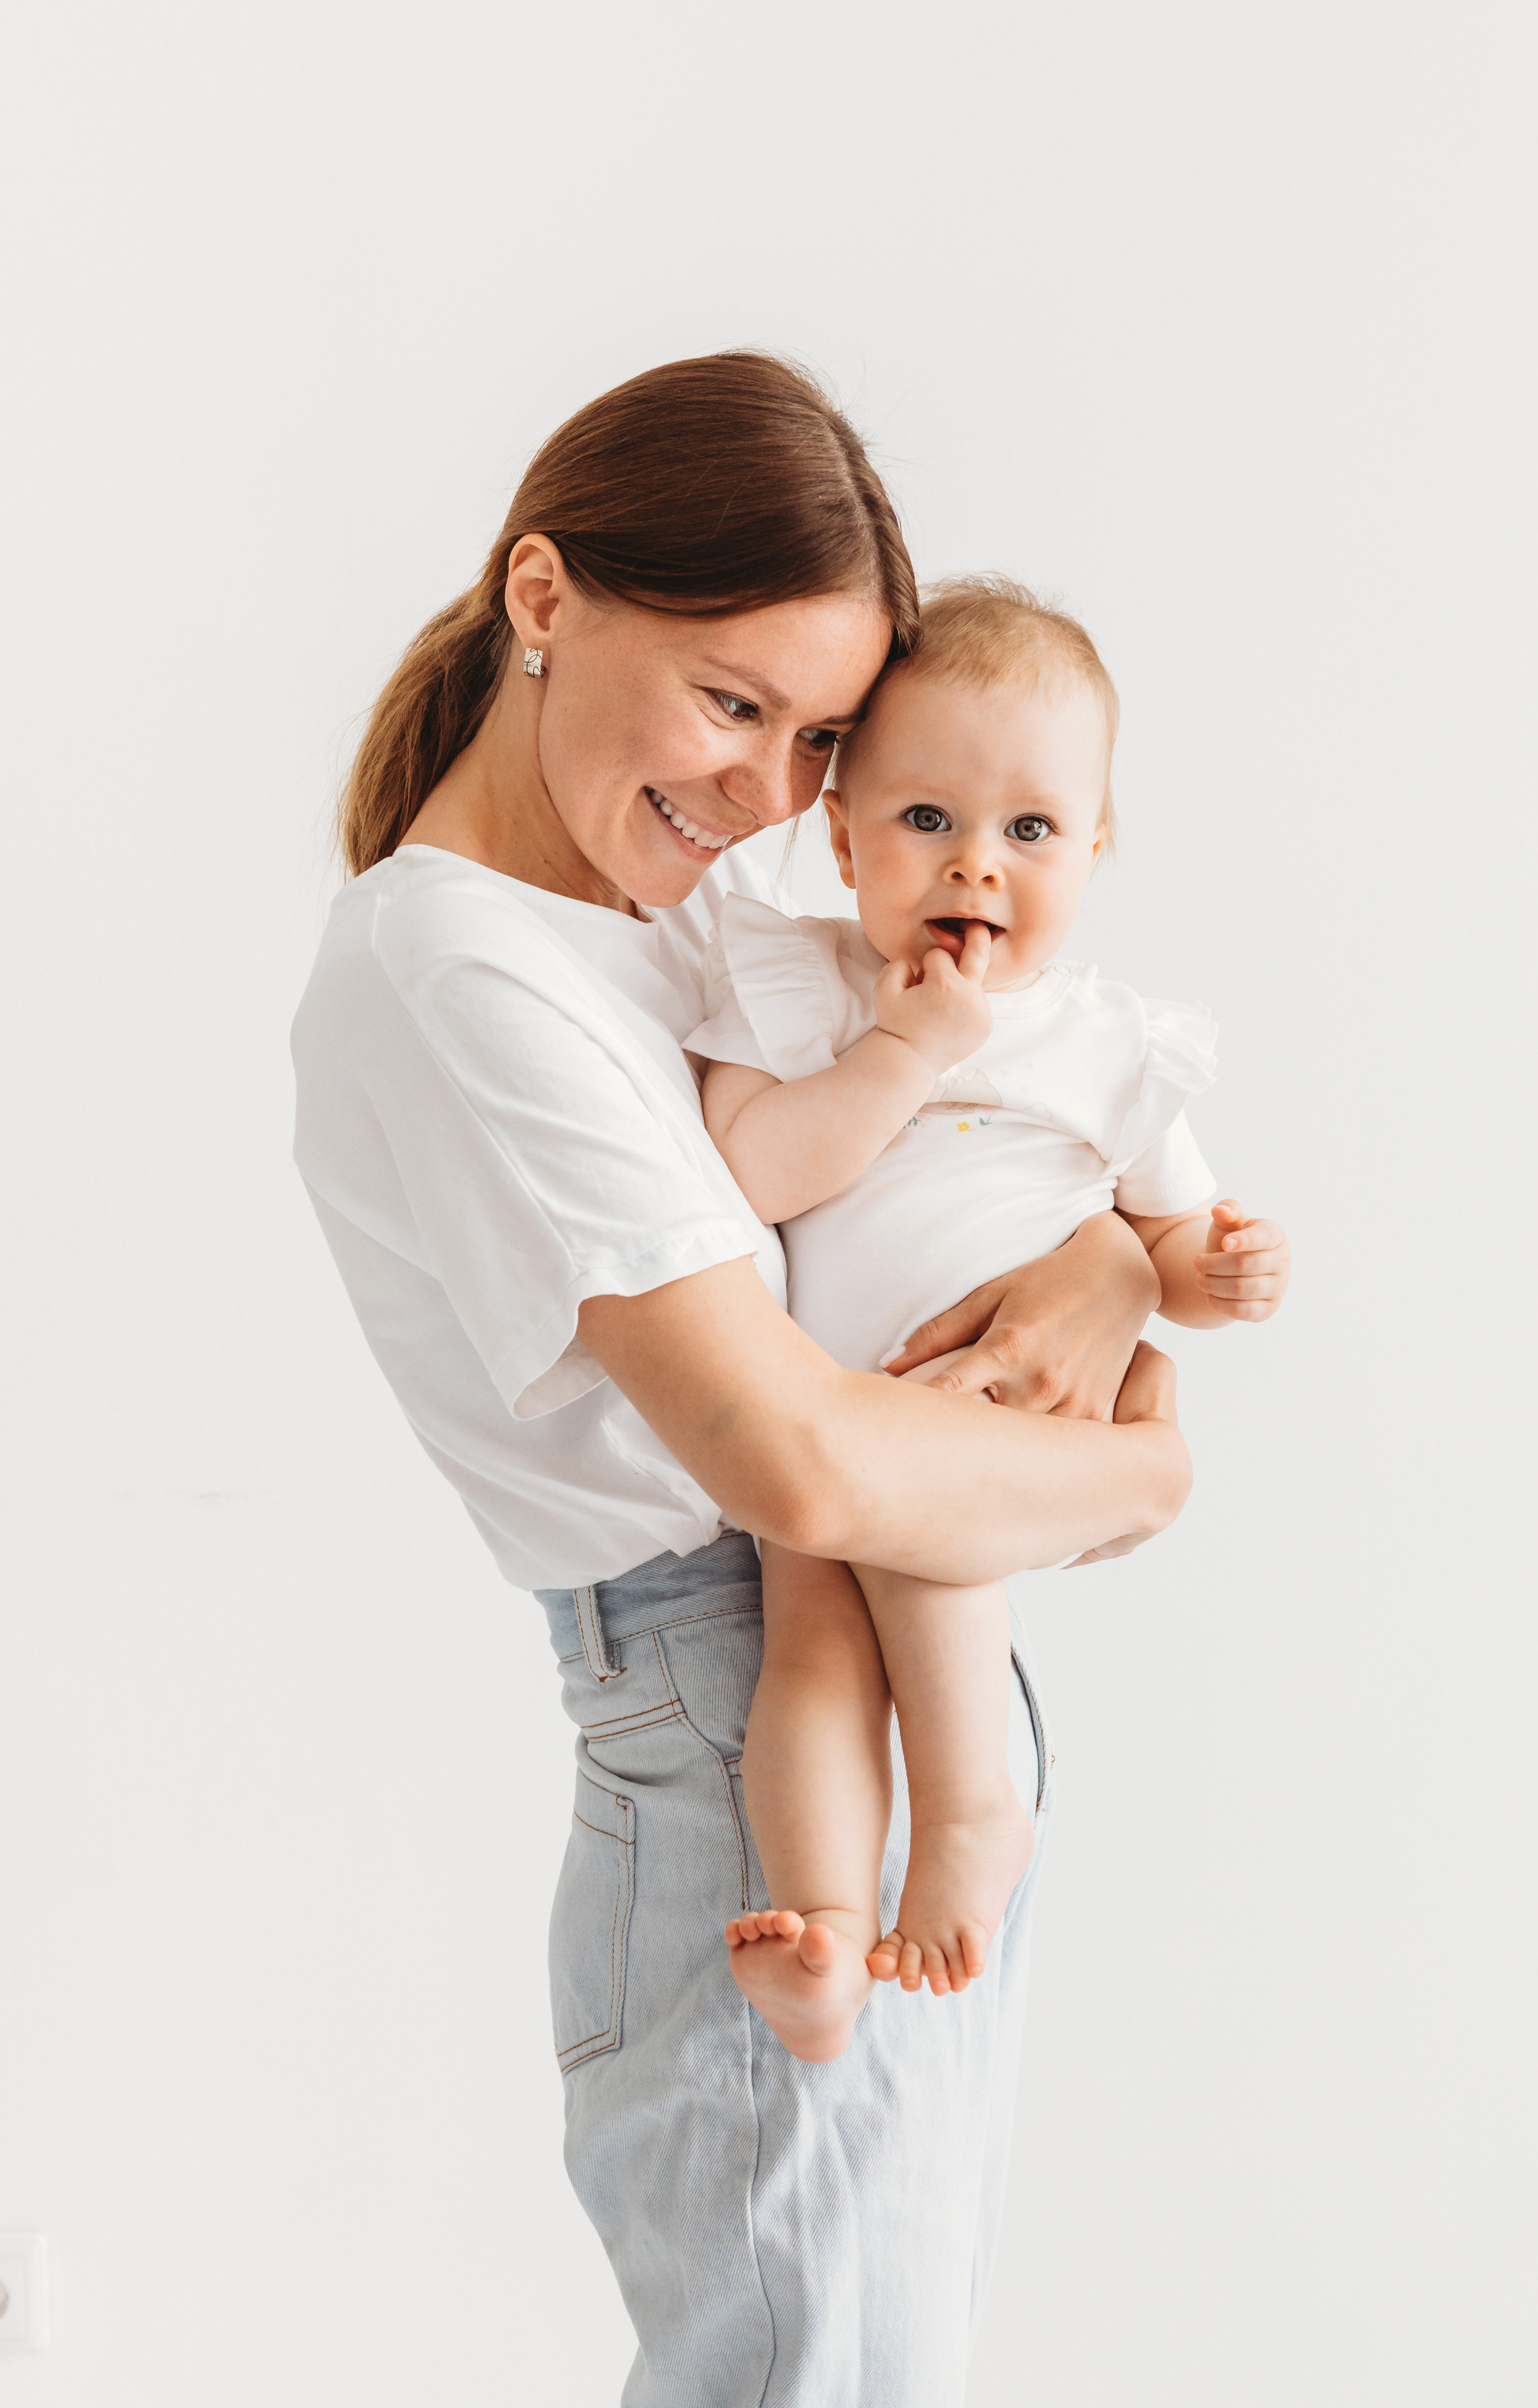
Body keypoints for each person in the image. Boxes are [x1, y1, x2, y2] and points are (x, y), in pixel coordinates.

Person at [291, 353, 1191, 2408]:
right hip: (748, 1724)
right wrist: (1145, 1481)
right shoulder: (462, 971)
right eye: (731, 703)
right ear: (545, 600)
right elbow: (795, 1455)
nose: (774, 796)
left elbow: (976, 1159)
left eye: (816, 741)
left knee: (866, 2367)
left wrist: (1116, 1258)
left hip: (894, 1682)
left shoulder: (664, 924)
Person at [690, 579, 1293, 2062]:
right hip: (812, 1413)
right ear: (840, 836)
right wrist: (904, 1048)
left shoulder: (1107, 1042)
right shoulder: (810, 990)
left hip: (983, 1414)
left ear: (1093, 845)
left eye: (1029, 830)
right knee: (813, 1648)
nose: (976, 865)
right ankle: (823, 1927)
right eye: (924, 821)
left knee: (924, 1583)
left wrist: (1215, 1276)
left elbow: (1162, 1242)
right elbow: (753, 1172)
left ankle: (973, 1816)